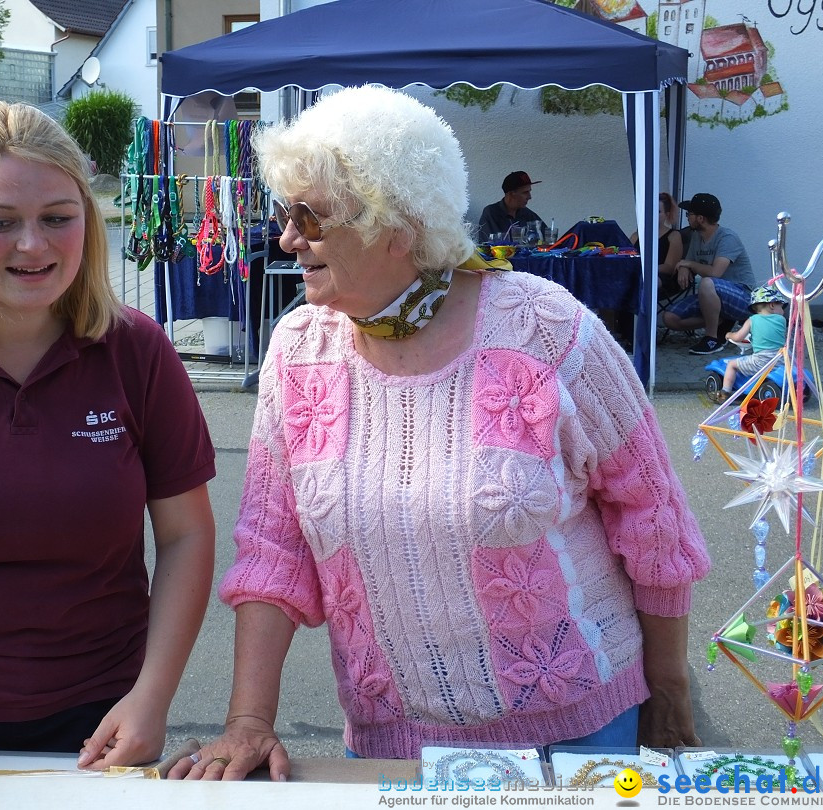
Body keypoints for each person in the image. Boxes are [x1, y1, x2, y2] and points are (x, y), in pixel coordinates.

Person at [168, 86, 710, 781]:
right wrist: (249, 722)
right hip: (394, 746)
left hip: (580, 736)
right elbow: (274, 549)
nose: (288, 238)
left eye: (311, 215)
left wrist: (668, 691)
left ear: (399, 224)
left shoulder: (547, 330)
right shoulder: (299, 351)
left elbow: (655, 523)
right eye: (284, 212)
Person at [0, 101, 217, 767]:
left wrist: (153, 696)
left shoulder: (135, 349)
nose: (34, 244)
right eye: (0, 222)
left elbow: (186, 533)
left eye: (58, 217)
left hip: (102, 719)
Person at [661, 193, 756, 355]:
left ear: (700, 218)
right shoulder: (697, 237)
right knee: (669, 318)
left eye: (689, 214)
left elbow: (715, 273)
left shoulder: (727, 238)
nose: (687, 218)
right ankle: (720, 320)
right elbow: (687, 262)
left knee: (707, 282)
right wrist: (684, 267)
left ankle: (712, 339)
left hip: (743, 296)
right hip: (712, 295)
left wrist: (688, 264)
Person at [711, 286, 788, 404]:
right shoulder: (781, 320)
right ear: (772, 305)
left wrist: (728, 335)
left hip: (762, 361)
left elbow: (738, 337)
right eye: (781, 307)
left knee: (731, 364)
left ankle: (725, 392)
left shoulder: (752, 320)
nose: (783, 311)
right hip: (781, 359)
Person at [630, 191, 684, 294]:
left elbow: (669, 267)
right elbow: (624, 256)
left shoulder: (673, 236)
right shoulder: (636, 236)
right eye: (650, 210)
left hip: (659, 277)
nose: (652, 214)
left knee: (645, 282)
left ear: (666, 214)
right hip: (635, 274)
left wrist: (645, 269)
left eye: (658, 211)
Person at [476, 170, 544, 243]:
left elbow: (546, 238)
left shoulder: (528, 214)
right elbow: (489, 246)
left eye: (529, 192)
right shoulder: (491, 213)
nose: (529, 197)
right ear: (511, 194)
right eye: (525, 192)